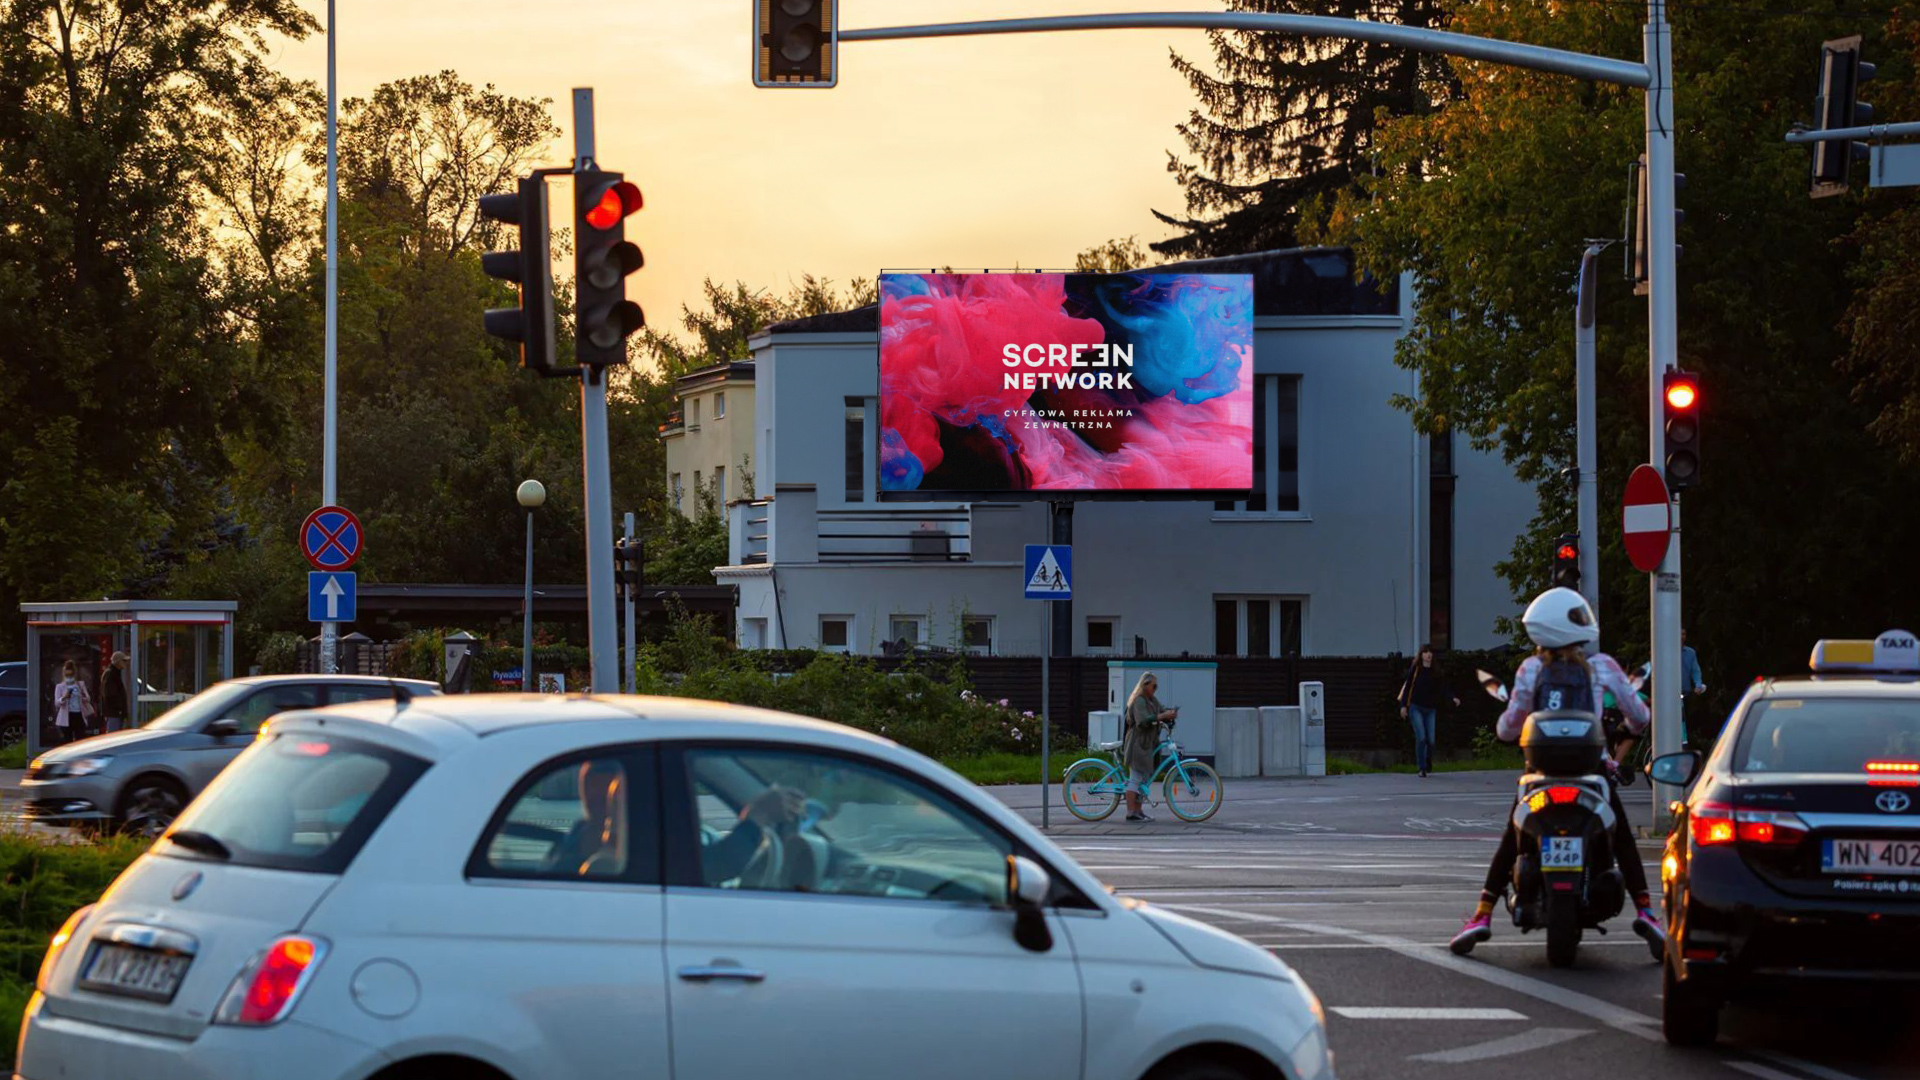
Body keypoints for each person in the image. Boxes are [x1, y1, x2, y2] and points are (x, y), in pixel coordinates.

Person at [1448, 587, 1665, 959]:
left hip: (1540, 773)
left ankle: (1482, 914)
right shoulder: (1603, 666)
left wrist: (1507, 728)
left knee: (1513, 836)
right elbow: (1639, 716)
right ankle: (1646, 911)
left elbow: (1509, 728)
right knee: (1621, 837)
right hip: (1591, 770)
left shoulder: (1531, 669)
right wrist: (1628, 727)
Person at [1123, 672, 1178, 822]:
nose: (1155, 689)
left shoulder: (1151, 700)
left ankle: (1139, 811)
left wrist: (1170, 713)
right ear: (1145, 685)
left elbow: (1161, 710)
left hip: (1148, 743)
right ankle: (1130, 812)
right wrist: (1162, 716)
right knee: (1135, 778)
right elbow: (1142, 720)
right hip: (1137, 743)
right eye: (1154, 686)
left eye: (1156, 686)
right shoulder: (1139, 700)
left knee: (1144, 779)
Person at [1399, 644, 1460, 777]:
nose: (1428, 654)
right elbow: (1407, 687)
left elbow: (1444, 687)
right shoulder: (1416, 669)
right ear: (1421, 655)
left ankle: (1427, 761)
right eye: (1425, 652)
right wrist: (1403, 706)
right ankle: (1421, 768)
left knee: (1431, 741)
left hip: (1430, 709)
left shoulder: (1436, 671)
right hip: (1416, 707)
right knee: (1421, 738)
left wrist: (1453, 697)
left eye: (1430, 652)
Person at [51, 660, 96, 744]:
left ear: (74, 674)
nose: (69, 678)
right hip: (66, 717)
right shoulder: (60, 686)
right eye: (67, 675)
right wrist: (64, 697)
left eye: (71, 675)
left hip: (79, 715)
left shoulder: (80, 684)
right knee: (67, 741)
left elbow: (88, 698)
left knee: (80, 740)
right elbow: (57, 703)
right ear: (64, 675)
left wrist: (81, 695)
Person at [98, 652, 130, 734]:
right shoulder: (110, 674)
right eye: (124, 661)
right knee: (113, 736)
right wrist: (119, 709)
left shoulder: (115, 673)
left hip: (115, 713)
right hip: (113, 713)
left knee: (116, 736)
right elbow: (110, 695)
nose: (126, 663)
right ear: (118, 661)